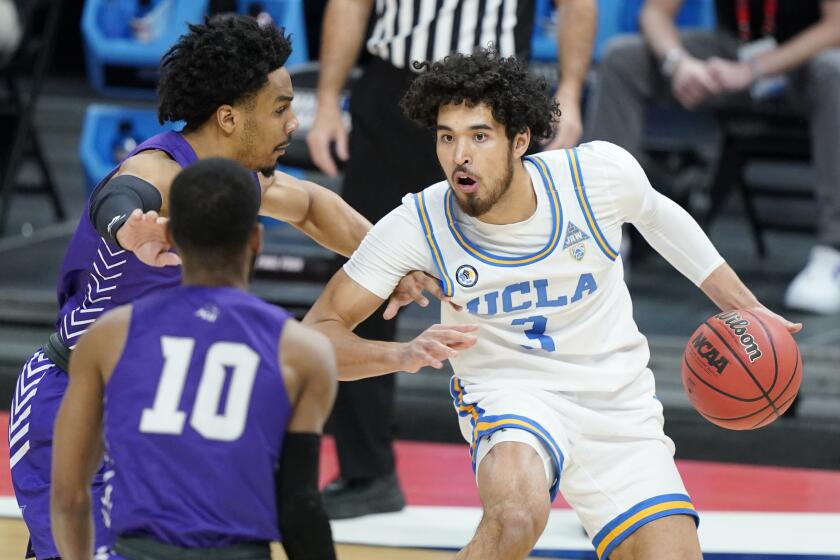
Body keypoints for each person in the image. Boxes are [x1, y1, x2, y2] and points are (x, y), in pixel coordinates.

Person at [303, 47, 802, 559]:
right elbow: (317, 333)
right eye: (446, 138)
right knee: (517, 515)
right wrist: (401, 355)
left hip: (616, 402)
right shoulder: (418, 225)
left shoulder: (595, 178)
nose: (460, 156)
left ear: (520, 140)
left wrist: (748, 309)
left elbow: (659, 217)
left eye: (479, 136)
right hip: (509, 394)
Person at [7, 14, 428, 559]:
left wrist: (390, 262)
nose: (291, 123)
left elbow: (313, 206)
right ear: (229, 117)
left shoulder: (236, 182)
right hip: (69, 403)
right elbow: (123, 192)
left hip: (152, 409)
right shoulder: (160, 169)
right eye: (280, 109)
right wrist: (127, 228)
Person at [305, 0, 597, 519]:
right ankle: (366, 472)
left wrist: (569, 95)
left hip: (493, 100)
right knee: (366, 278)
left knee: (539, 291)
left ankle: (582, 477)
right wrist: (328, 99)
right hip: (395, 91)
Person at [50, 158, 337, 560]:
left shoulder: (109, 336)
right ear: (256, 238)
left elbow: (67, 497)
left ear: (170, 232)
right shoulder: (302, 350)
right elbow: (299, 505)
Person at [585, 0, 840, 314]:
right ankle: (604, 240)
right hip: (732, 53)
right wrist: (678, 63)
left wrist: (754, 69)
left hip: (801, 62)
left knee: (834, 69)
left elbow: (835, 26)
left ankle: (833, 253)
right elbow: (655, 13)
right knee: (623, 57)